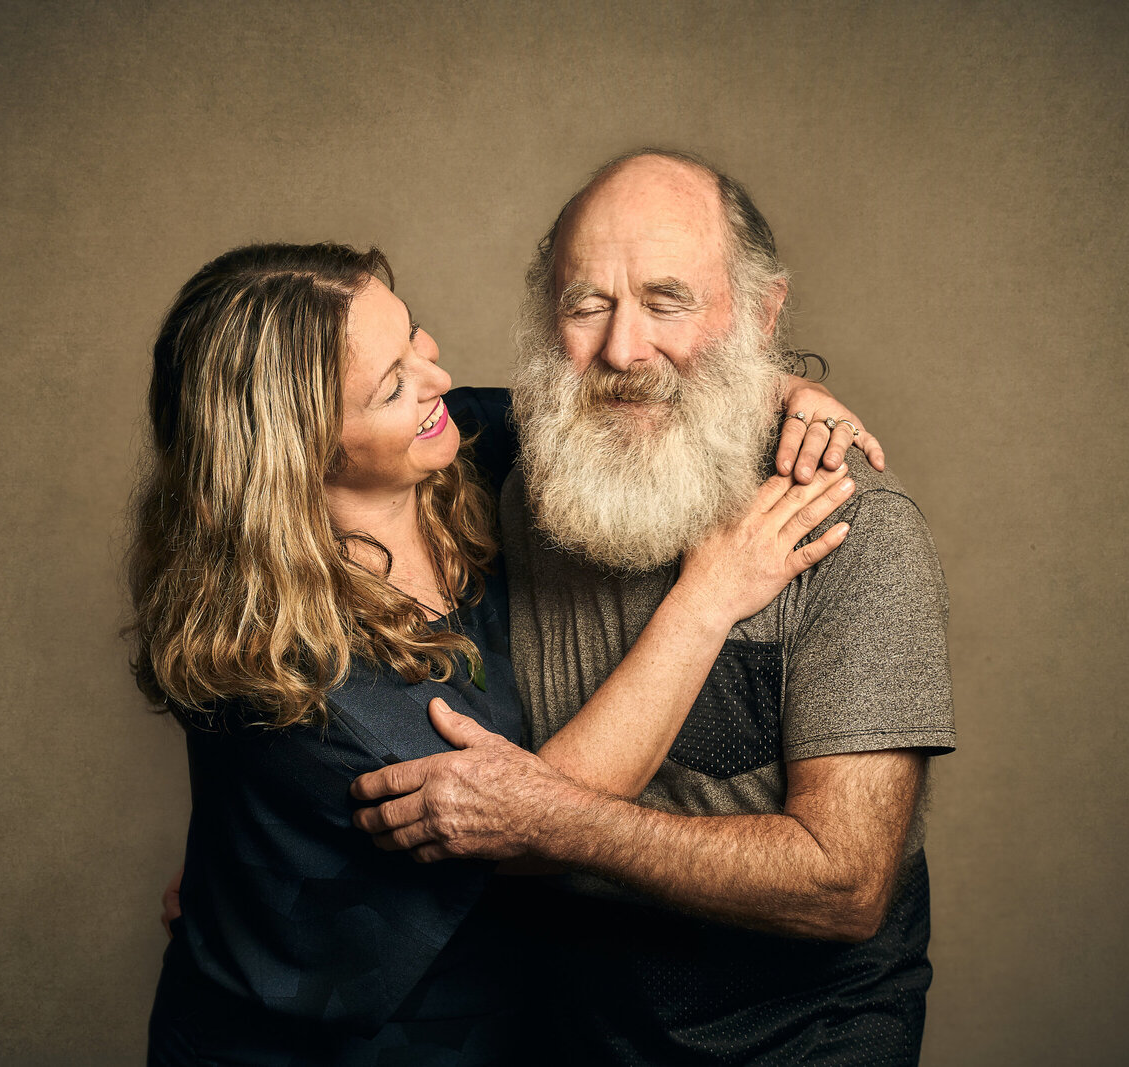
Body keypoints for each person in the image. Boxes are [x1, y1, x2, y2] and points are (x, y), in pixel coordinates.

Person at [130, 241, 878, 1064]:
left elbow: (609, 403)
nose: (435, 378)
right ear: (297, 453)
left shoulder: (456, 450)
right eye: (391, 386)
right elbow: (535, 818)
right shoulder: (302, 676)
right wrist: (709, 597)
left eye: (415, 337)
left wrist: (779, 390)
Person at [352, 150, 956, 1065]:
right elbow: (316, 444)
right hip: (561, 1033)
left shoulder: (853, 525)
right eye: (586, 303)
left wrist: (552, 816)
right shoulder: (502, 471)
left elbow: (845, 884)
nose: (624, 351)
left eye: (667, 300)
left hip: (802, 1041)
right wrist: (265, 860)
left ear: (761, 313)